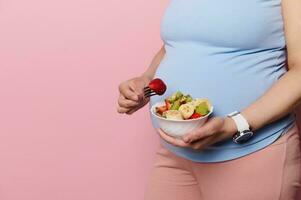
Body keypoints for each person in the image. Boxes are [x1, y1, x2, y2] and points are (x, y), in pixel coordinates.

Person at [117, 0, 301, 199]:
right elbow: (180, 42)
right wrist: (146, 81)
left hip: (251, 152)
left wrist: (234, 124)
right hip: (175, 154)